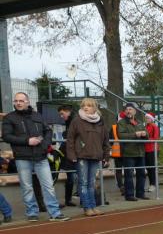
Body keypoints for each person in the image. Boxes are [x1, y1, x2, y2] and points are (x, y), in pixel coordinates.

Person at [1, 92, 69, 222]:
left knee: (48, 186)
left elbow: (48, 131)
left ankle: (55, 213)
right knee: (27, 187)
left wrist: (44, 145)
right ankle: (32, 213)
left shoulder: (37, 115)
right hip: (22, 157)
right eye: (16, 101)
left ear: (27, 102)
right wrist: (27, 141)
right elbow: (6, 136)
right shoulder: (9, 118)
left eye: (21, 101)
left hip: (41, 156)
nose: (18, 103)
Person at [66, 98, 110, 217]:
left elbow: (106, 140)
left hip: (96, 156)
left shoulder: (101, 122)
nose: (86, 107)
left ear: (95, 108)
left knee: (91, 183)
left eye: (89, 105)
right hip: (81, 156)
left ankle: (93, 206)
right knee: (83, 183)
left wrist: (106, 156)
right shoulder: (76, 121)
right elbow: (70, 139)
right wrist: (72, 155)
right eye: (83, 105)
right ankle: (87, 207)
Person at [117, 103, 149, 202]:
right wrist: (135, 134)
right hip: (128, 153)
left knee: (141, 174)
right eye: (127, 109)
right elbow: (121, 136)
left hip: (140, 152)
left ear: (135, 111)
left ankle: (140, 193)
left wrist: (144, 134)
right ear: (124, 112)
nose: (128, 111)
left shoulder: (139, 122)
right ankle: (129, 195)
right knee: (129, 175)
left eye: (130, 109)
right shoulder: (121, 122)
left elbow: (147, 136)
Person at [57, 104, 78, 206]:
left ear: (68, 111)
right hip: (68, 152)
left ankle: (69, 199)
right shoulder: (70, 120)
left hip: (72, 153)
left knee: (72, 177)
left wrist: (65, 134)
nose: (61, 116)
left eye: (62, 114)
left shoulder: (74, 120)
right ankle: (69, 200)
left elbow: (71, 136)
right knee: (71, 177)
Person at [143, 112, 160, 192]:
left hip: (153, 149)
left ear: (152, 119)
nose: (146, 119)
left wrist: (146, 139)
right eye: (146, 118)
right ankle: (151, 184)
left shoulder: (154, 126)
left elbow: (156, 138)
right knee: (148, 168)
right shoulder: (145, 126)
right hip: (146, 149)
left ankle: (153, 184)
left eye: (148, 118)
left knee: (152, 168)